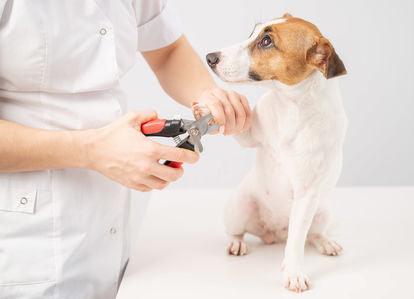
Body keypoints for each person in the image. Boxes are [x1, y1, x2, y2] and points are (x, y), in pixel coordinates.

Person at [0, 1, 251, 298]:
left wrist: (207, 95)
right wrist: (91, 151)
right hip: (25, 244)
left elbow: (167, 51)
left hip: (110, 231)